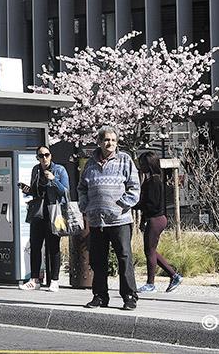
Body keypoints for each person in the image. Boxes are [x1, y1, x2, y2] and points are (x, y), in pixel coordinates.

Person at [78, 126, 141, 311]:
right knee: (98, 260)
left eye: (113, 140)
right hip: (96, 220)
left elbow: (134, 188)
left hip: (120, 220)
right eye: (106, 140)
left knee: (124, 258)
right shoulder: (90, 164)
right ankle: (100, 296)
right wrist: (85, 206)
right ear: (99, 142)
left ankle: (129, 296)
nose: (110, 143)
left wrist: (120, 205)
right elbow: (82, 188)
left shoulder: (125, 160)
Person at [18, 145, 69, 292]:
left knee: (53, 247)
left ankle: (54, 280)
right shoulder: (36, 170)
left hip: (55, 212)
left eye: (46, 155)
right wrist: (27, 190)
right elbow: (36, 191)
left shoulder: (59, 170)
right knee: (35, 246)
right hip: (38, 213)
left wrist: (54, 180)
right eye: (41, 156)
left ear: (51, 156)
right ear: (37, 158)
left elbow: (65, 192)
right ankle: (34, 280)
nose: (44, 158)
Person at [136, 151, 182, 293]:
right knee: (151, 250)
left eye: (143, 163)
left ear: (149, 164)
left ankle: (151, 284)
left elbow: (152, 204)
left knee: (149, 251)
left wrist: (135, 205)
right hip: (154, 218)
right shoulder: (151, 180)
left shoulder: (154, 181)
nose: (140, 166)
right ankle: (173, 275)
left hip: (155, 218)